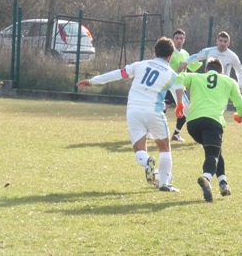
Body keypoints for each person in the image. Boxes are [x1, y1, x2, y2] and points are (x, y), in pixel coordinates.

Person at [76, 37, 180, 192]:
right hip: (154, 112)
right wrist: (182, 106)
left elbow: (116, 74)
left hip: (134, 111)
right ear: (171, 56)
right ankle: (164, 183)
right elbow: (180, 91)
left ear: (154, 52)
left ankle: (147, 162)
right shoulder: (172, 75)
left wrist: (93, 81)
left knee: (139, 150)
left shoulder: (139, 65)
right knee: (164, 149)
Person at [174, 58, 242, 202]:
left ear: (206, 70)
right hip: (212, 122)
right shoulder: (229, 81)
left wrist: (180, 102)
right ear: (222, 72)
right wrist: (239, 115)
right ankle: (206, 177)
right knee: (212, 154)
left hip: (193, 124)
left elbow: (179, 76)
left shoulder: (196, 77)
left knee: (216, 151)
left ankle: (223, 183)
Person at [177, 31, 242, 94]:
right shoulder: (209, 51)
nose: (222, 43)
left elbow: (239, 70)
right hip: (208, 84)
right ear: (217, 41)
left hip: (223, 85)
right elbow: (197, 56)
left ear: (228, 43)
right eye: (220, 41)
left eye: (225, 41)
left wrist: (240, 86)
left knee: (221, 106)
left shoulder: (232, 56)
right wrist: (185, 63)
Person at [165, 29, 202, 142]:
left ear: (184, 40)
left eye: (181, 38)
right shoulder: (169, 52)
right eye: (177, 38)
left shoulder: (185, 53)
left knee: (184, 111)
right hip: (169, 85)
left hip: (181, 86)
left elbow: (192, 66)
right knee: (162, 109)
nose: (179, 41)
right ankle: (151, 131)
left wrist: (202, 58)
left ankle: (176, 133)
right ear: (173, 39)